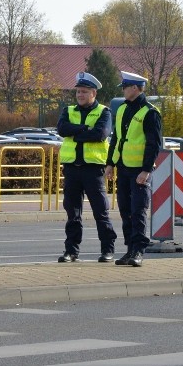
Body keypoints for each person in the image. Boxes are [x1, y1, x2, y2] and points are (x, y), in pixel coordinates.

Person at [56, 72, 116, 263]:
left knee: (101, 212)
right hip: (72, 169)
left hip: (93, 169)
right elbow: (61, 129)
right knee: (72, 213)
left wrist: (75, 132)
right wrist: (84, 130)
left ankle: (108, 249)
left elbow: (100, 134)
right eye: (78, 92)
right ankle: (71, 251)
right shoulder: (68, 110)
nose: (80, 95)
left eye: (84, 92)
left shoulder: (104, 112)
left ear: (93, 94)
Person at [105, 71, 163, 267]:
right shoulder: (122, 109)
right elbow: (116, 139)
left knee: (138, 211)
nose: (123, 90)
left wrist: (146, 170)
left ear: (136, 88)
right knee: (125, 210)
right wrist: (110, 164)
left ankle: (138, 250)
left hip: (140, 170)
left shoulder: (150, 112)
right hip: (123, 167)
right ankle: (129, 249)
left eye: (125, 87)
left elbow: (154, 144)